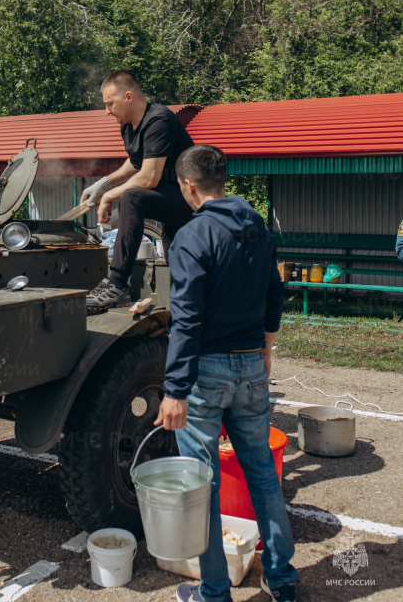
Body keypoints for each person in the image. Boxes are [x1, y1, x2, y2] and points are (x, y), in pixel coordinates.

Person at [155, 144, 299, 602]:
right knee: (261, 474)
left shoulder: (193, 236)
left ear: (187, 186)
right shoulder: (256, 227)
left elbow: (187, 318)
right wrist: (266, 350)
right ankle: (282, 579)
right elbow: (276, 293)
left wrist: (174, 389)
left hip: (205, 374)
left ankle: (214, 591)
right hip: (251, 365)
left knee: (202, 488)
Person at [83, 70, 194, 310]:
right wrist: (102, 184)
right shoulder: (128, 125)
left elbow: (149, 177)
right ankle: (182, 324)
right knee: (179, 271)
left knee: (132, 197)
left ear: (129, 97)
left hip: (189, 201)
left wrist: (110, 196)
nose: (107, 111)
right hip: (168, 203)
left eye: (110, 103)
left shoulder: (159, 120)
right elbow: (135, 163)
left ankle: (117, 283)